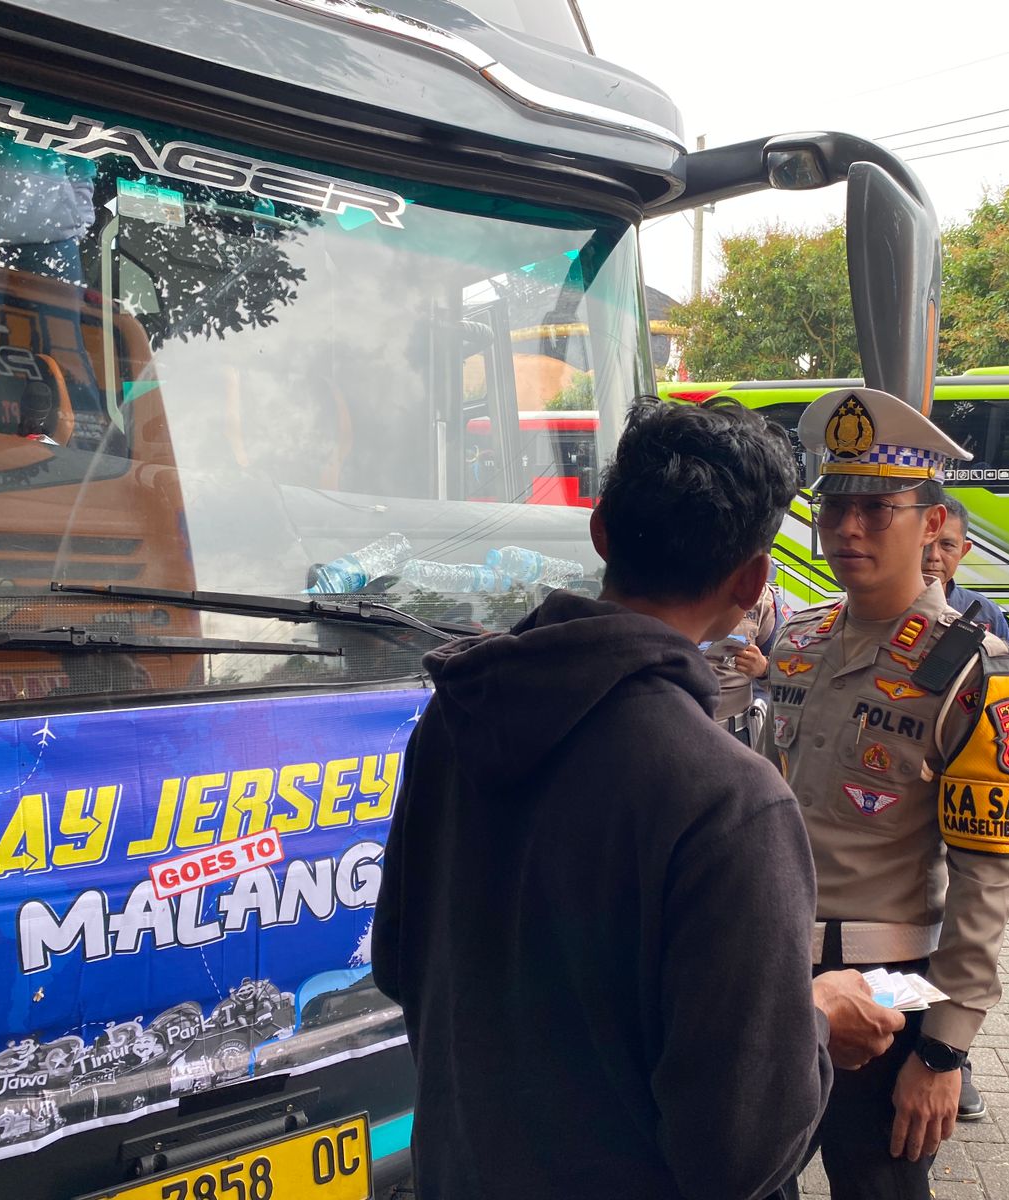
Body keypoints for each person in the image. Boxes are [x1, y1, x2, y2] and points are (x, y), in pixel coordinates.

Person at [372, 399, 904, 1200]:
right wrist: (818, 1019)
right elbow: (739, 1149)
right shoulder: (731, 801)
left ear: (601, 533)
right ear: (752, 580)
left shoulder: (458, 716)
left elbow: (395, 961)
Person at [758, 387, 1009, 1200]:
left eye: (876, 509)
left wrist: (944, 1051)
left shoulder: (976, 670)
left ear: (932, 522)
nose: (848, 529)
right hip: (779, 974)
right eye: (834, 506)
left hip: (892, 988)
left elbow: (988, 877)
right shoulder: (798, 642)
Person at [922, 495, 1009, 649]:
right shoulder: (883, 610)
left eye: (947, 544)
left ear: (964, 550)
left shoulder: (987, 613)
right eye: (924, 543)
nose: (933, 556)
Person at [705, 581, 784, 745]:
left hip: (735, 733)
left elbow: (789, 670)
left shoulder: (762, 599)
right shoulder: (664, 587)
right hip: (671, 723)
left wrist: (763, 668)